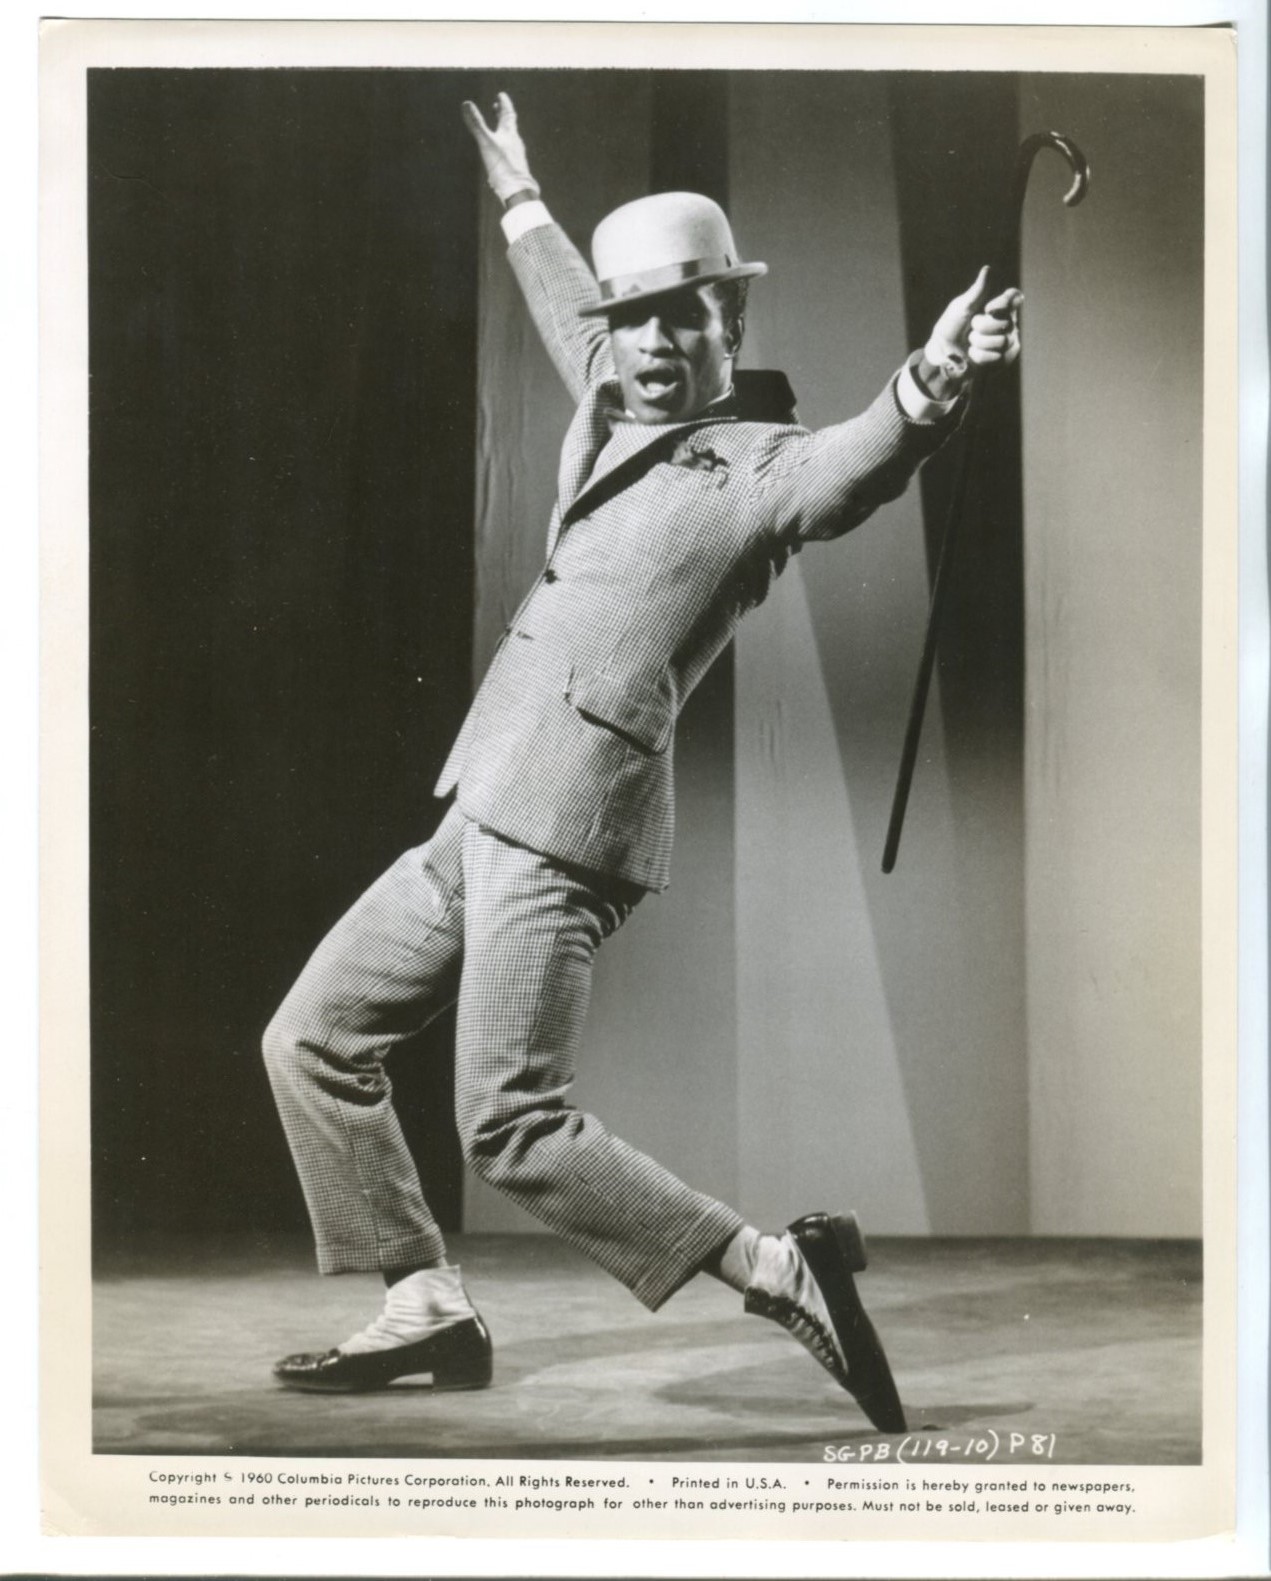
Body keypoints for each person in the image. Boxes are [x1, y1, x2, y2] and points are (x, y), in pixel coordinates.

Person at [263, 93, 1022, 1433]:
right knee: (314, 1039)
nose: (656, 346)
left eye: (687, 318)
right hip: (481, 801)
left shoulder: (757, 467)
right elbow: (573, 305)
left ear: (733, 320)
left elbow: (856, 467)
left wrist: (933, 382)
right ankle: (423, 1298)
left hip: (568, 824)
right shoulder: (613, 394)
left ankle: (780, 1270)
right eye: (635, 324)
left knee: (509, 1124)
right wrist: (521, 196)